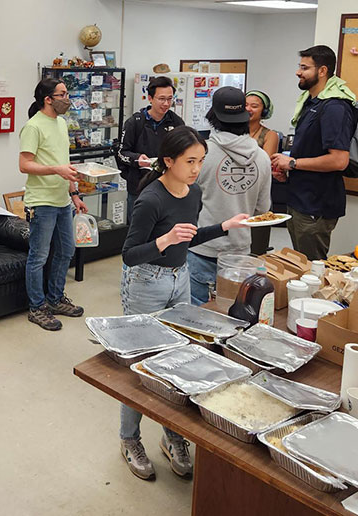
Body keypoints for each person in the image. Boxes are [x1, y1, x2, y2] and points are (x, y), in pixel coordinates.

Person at [119, 125, 249, 480]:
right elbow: (129, 255)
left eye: (201, 161)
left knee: (178, 360)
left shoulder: (194, 193)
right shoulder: (150, 199)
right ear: (168, 161)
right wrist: (164, 240)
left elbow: (187, 239)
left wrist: (225, 225)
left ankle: (172, 434)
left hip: (180, 279)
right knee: (141, 366)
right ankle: (129, 438)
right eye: (190, 161)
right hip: (146, 283)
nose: (196, 168)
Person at [270, 45, 357, 261]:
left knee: (312, 269)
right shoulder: (311, 103)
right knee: (299, 265)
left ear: (322, 71)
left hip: (316, 205)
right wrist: (288, 170)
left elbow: (339, 160)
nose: (298, 72)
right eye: (299, 66)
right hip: (299, 198)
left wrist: (293, 163)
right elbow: (310, 149)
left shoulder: (334, 108)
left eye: (304, 68)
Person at [187, 88, 272, 305]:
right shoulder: (262, 158)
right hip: (240, 251)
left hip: (202, 247)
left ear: (212, 116)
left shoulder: (200, 155)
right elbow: (263, 210)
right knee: (234, 312)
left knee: (197, 314)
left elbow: (184, 200)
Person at [18, 77, 89, 331]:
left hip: (62, 200)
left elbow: (64, 163)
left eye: (67, 93)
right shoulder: (33, 126)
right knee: (38, 256)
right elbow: (24, 165)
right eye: (62, 94)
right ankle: (37, 307)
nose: (67, 99)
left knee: (66, 251)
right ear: (47, 99)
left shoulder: (61, 123)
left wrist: (75, 194)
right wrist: (56, 170)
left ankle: (56, 299)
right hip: (42, 201)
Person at [116, 76, 185, 223]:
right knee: (139, 230)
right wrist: (137, 159)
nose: (166, 104)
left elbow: (184, 152)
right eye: (161, 99)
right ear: (150, 98)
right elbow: (122, 153)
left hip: (168, 187)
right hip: (139, 188)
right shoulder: (135, 122)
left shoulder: (176, 123)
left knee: (165, 228)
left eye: (170, 99)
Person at [244, 89, 279, 256]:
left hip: (257, 194)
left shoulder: (270, 135)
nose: (248, 109)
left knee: (256, 248)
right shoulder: (233, 132)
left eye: (254, 106)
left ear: (264, 111)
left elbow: (264, 164)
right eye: (245, 105)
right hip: (236, 193)